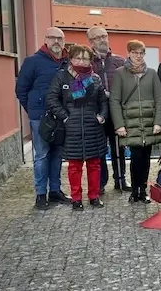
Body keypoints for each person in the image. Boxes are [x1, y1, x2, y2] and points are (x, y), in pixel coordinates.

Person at [46, 44, 108, 210]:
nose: (81, 61)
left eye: (85, 58)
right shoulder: (62, 77)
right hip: (72, 130)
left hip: (93, 128)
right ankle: (76, 198)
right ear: (71, 59)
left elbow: (103, 101)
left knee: (94, 164)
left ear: (90, 60)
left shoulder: (95, 79)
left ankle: (94, 196)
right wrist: (65, 117)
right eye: (78, 57)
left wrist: (102, 115)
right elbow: (52, 99)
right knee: (74, 167)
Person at [15, 26, 72, 210]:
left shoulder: (68, 62)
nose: (56, 42)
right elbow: (21, 90)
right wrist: (33, 110)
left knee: (57, 155)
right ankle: (41, 195)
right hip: (41, 117)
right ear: (46, 39)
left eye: (60, 38)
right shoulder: (33, 61)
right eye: (53, 38)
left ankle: (55, 191)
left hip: (62, 116)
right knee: (41, 155)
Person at [109, 39, 161, 204]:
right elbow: (114, 100)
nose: (138, 56)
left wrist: (158, 122)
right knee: (135, 157)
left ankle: (143, 190)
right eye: (135, 53)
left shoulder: (152, 73)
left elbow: (159, 99)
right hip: (130, 123)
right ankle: (135, 190)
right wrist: (119, 124)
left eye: (141, 53)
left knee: (146, 157)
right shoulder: (120, 73)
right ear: (129, 53)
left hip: (149, 122)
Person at [86, 26, 130, 194]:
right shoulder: (86, 61)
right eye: (98, 38)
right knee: (99, 149)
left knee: (119, 147)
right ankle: (100, 183)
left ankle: (121, 179)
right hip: (96, 113)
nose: (103, 40)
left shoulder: (119, 61)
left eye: (105, 36)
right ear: (90, 42)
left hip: (117, 112)